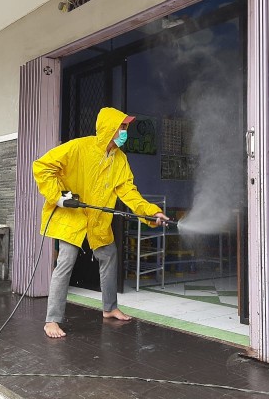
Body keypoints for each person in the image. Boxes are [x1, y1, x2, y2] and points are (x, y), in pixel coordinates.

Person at [33, 107, 169, 338]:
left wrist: (150, 212)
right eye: (122, 127)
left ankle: (109, 308)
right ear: (109, 129)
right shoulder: (79, 147)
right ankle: (51, 321)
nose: (125, 132)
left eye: (126, 127)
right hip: (71, 214)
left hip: (96, 219)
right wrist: (58, 196)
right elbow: (42, 166)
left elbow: (128, 192)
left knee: (109, 254)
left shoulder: (120, 159)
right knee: (66, 262)